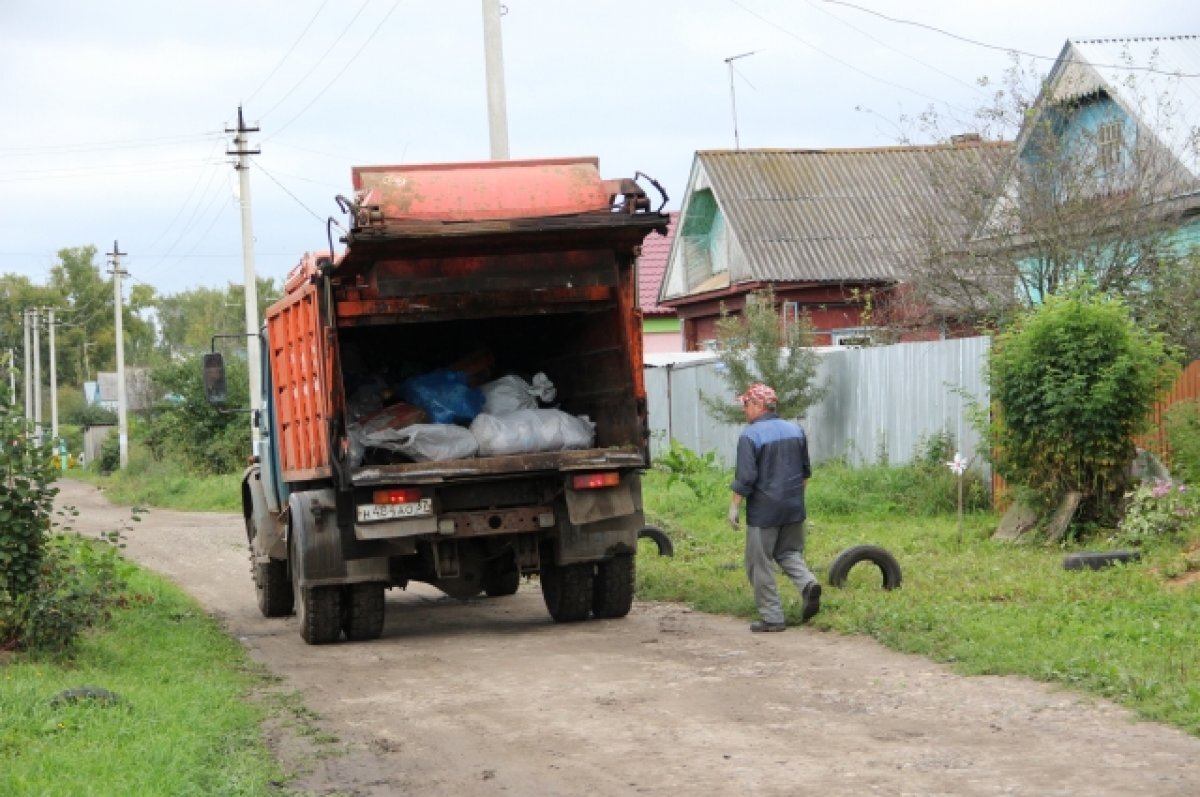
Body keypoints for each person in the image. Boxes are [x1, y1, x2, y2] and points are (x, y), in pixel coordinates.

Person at [727, 382, 821, 632]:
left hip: (764, 511)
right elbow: (804, 474)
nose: (744, 410)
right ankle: (808, 583)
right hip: (793, 507)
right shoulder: (796, 430)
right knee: (788, 553)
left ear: (758, 405)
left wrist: (734, 507)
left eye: (746, 405)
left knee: (759, 562)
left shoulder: (750, 435)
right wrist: (792, 500)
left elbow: (746, 477)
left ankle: (772, 617)